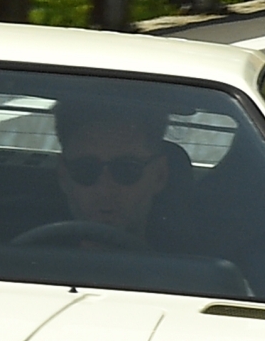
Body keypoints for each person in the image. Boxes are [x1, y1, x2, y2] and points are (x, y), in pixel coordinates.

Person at [43, 104, 184, 245]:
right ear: (63, 175)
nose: (104, 191)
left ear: (159, 175)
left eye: (127, 170)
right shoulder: (31, 256)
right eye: (86, 169)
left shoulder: (191, 257)